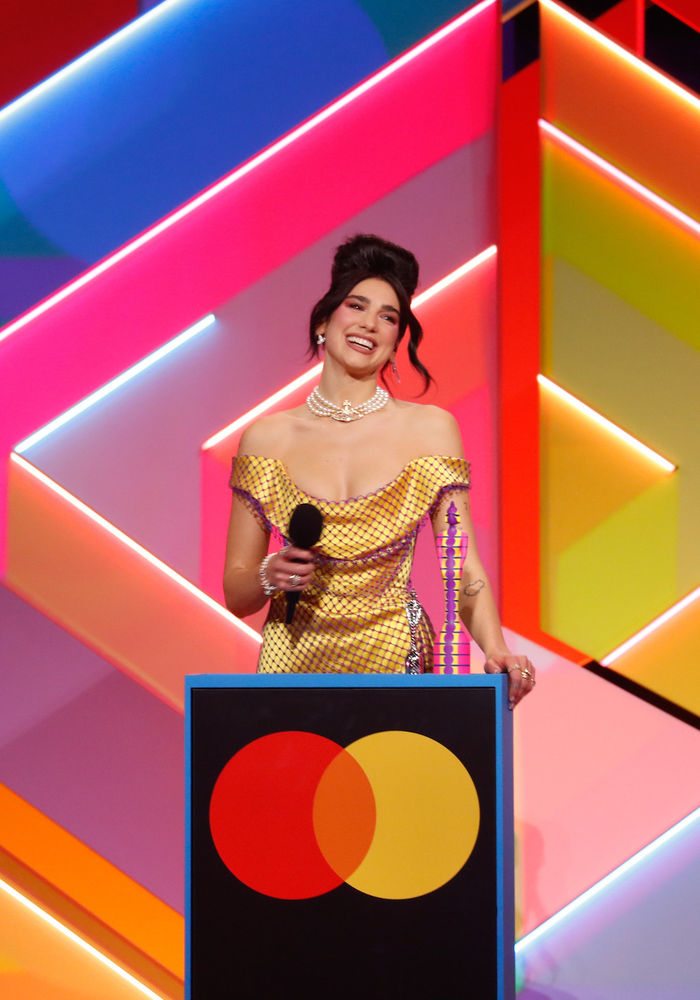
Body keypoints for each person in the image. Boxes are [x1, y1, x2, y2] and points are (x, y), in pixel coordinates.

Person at [223, 235, 535, 707]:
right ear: (323, 321)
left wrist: (495, 648)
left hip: (395, 659)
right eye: (356, 306)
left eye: (388, 317)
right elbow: (237, 593)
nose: (369, 323)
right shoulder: (267, 438)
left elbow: (461, 565)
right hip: (291, 665)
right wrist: (270, 573)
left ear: (395, 344)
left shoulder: (430, 430)